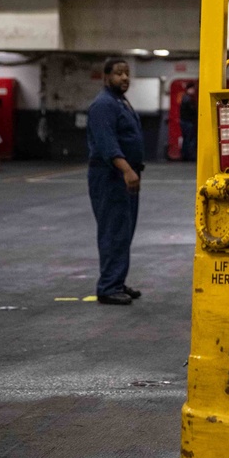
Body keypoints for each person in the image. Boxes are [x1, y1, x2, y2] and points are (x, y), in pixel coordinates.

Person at [86, 56, 145, 304]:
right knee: (113, 231)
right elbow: (106, 143)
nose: (124, 78)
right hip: (110, 178)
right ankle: (108, 287)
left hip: (123, 177)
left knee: (124, 231)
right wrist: (126, 170)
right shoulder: (103, 105)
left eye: (127, 73)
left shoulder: (119, 101)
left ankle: (116, 280)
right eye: (119, 73)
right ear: (106, 77)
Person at [179, 82, 198, 162]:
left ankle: (185, 155)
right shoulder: (188, 99)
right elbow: (192, 110)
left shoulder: (184, 97)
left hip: (185, 121)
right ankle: (189, 155)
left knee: (186, 139)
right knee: (190, 139)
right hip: (188, 122)